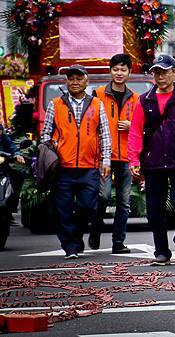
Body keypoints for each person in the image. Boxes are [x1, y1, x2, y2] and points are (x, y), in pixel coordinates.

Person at [128, 54, 175, 266]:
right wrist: (133, 160)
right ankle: (161, 250)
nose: (160, 76)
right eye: (157, 72)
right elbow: (135, 132)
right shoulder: (144, 100)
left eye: (165, 71)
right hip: (153, 160)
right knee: (154, 207)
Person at [40, 64, 111, 259]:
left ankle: (77, 235)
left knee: (88, 206)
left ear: (86, 81)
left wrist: (106, 161)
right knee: (62, 210)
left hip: (89, 167)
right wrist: (52, 150)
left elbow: (104, 134)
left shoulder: (97, 104)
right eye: (71, 78)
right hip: (63, 167)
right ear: (67, 81)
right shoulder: (56, 104)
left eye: (79, 78)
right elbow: (45, 134)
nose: (75, 82)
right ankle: (70, 246)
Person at [89, 54, 138, 254]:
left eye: (123, 69)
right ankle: (96, 228)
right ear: (110, 71)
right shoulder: (98, 94)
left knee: (124, 203)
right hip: (105, 156)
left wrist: (131, 125)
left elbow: (142, 127)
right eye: (116, 69)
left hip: (126, 156)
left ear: (129, 72)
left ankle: (118, 242)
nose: (119, 73)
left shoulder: (135, 98)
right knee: (103, 195)